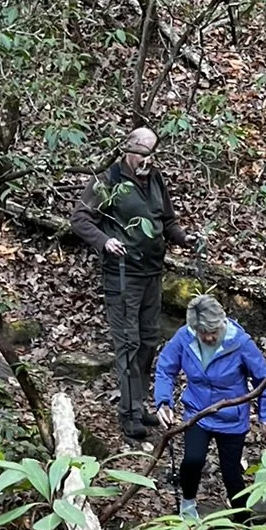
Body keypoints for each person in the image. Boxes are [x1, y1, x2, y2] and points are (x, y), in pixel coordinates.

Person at [71, 127, 194, 441]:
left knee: (150, 339)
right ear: (129, 150)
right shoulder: (107, 180)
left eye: (152, 155)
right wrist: (105, 241)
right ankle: (128, 415)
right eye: (142, 154)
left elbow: (167, 220)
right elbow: (81, 219)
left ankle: (138, 405)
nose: (147, 161)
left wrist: (183, 238)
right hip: (123, 275)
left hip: (153, 273)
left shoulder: (154, 178)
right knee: (128, 342)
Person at [154, 293, 266, 523]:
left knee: (232, 476)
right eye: (203, 334)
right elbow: (165, 369)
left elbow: (264, 379)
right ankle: (187, 507)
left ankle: (244, 528)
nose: (209, 337)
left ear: (222, 323)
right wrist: (163, 402)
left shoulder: (240, 342)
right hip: (197, 414)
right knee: (193, 460)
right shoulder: (184, 338)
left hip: (232, 418)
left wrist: (265, 415)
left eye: (213, 332)